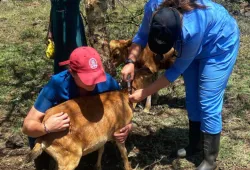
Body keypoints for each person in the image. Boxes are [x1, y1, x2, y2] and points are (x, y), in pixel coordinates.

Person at [121, 0, 240, 169]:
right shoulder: (153, 7)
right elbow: (141, 35)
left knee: (207, 101)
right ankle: (194, 144)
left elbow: (175, 70)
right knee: (192, 97)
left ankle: (210, 160)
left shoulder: (193, 27)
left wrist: (145, 92)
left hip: (219, 45)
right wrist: (130, 61)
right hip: (190, 46)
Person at [23, 46, 132, 169]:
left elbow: (121, 107)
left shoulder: (107, 82)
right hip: (52, 137)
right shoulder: (57, 85)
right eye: (87, 77)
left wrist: (127, 126)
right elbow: (27, 126)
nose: (93, 81)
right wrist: (46, 128)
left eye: (96, 75)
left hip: (86, 137)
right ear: (72, 72)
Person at [47, 0, 87, 74]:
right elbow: (52, 6)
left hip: (73, 21)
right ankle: (62, 80)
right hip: (57, 22)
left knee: (77, 52)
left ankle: (81, 78)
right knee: (60, 54)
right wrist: (50, 30)